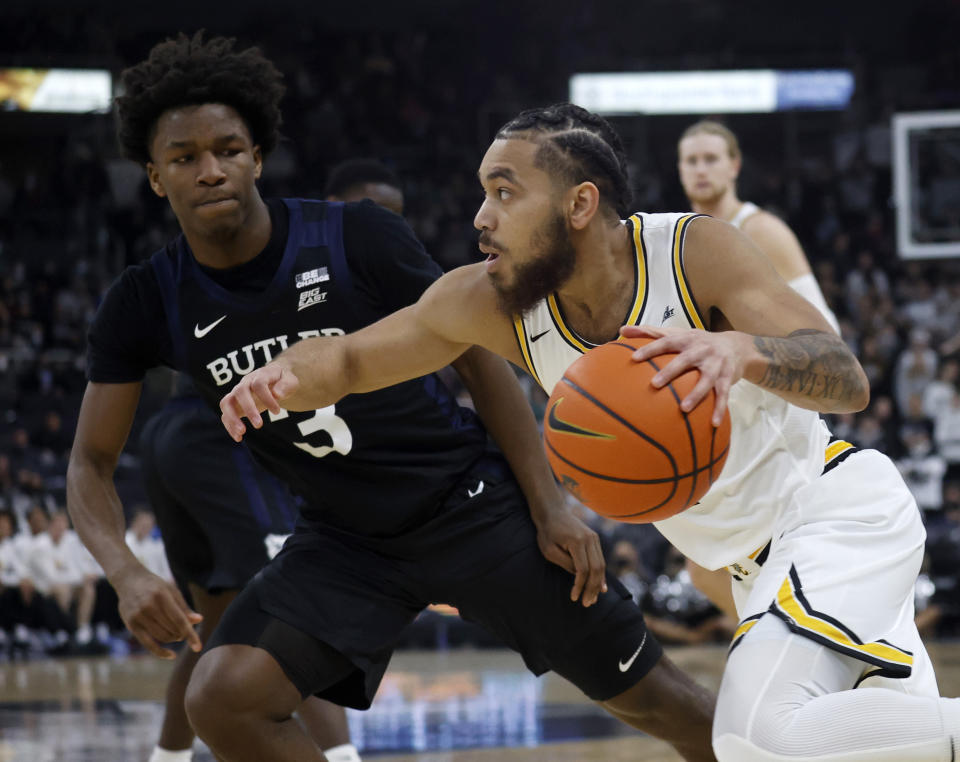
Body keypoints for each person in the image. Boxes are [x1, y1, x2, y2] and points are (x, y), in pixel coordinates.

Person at [224, 102, 960, 762]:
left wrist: (744, 351)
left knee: (751, 736)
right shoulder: (493, 304)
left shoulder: (692, 252)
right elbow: (352, 357)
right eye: (484, 191)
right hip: (753, 569)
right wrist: (281, 376)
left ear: (580, 203)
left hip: (833, 514)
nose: (481, 216)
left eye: (504, 192)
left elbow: (846, 375)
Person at [66, 35, 716, 762]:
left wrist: (549, 506)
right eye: (185, 158)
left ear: (257, 155)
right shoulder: (145, 301)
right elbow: (90, 465)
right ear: (155, 177)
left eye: (227, 148)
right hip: (344, 544)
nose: (210, 169)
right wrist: (124, 573)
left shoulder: (356, 236)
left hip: (468, 504)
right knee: (222, 697)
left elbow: (479, 362)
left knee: (664, 705)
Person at [137, 158, 405, 762]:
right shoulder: (319, 262)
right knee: (292, 612)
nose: (387, 229)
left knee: (217, 621)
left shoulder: (352, 273)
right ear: (337, 206)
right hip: (216, 439)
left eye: (397, 220)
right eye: (374, 214)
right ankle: (343, 758)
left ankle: (166, 760)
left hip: (180, 438)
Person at [677, 120, 840, 617]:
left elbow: (826, 337)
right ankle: (770, 634)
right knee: (704, 569)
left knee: (751, 563)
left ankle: (788, 641)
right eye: (691, 160)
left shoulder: (761, 230)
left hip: (777, 421)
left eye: (710, 159)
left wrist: (741, 350)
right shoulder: (681, 235)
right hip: (723, 421)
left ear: (734, 165)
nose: (701, 169)